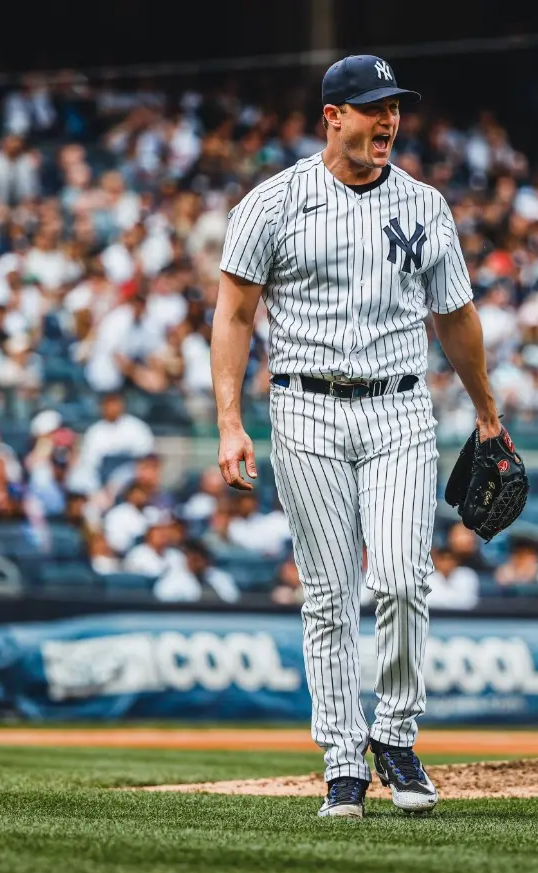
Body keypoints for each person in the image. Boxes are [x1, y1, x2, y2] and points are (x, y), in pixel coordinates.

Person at [211, 55, 499, 819]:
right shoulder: (272, 203)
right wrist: (230, 421)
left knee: (402, 578)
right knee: (328, 596)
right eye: (373, 108)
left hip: (401, 409)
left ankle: (395, 733)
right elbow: (234, 313)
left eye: (394, 107)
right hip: (303, 409)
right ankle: (342, 759)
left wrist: (488, 413)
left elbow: (456, 317)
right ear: (332, 116)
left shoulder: (425, 204)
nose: (389, 120)